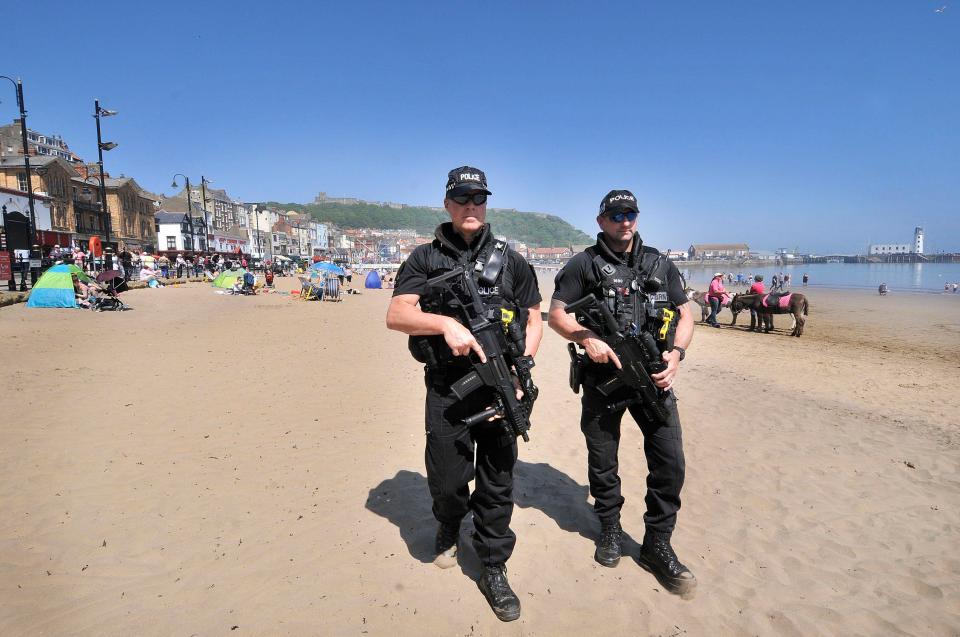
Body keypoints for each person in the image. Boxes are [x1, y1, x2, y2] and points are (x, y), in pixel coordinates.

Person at [386, 166, 542, 622]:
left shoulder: (511, 261)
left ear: (486, 204)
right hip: (447, 389)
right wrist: (444, 324)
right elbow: (397, 314)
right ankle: (450, 524)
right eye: (462, 199)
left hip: (501, 386)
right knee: (449, 479)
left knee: (498, 481)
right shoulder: (423, 259)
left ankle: (493, 565)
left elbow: (534, 317)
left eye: (479, 199)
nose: (471, 206)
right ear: (448, 204)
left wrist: (521, 369)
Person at [547, 188, 697, 596]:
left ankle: (657, 543)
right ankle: (610, 528)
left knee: (670, 462)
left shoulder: (659, 263)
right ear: (601, 222)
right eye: (615, 215)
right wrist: (586, 338)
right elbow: (556, 314)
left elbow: (686, 313)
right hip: (603, 380)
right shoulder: (583, 265)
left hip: (653, 378)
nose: (624, 221)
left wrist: (677, 354)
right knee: (603, 460)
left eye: (630, 213)